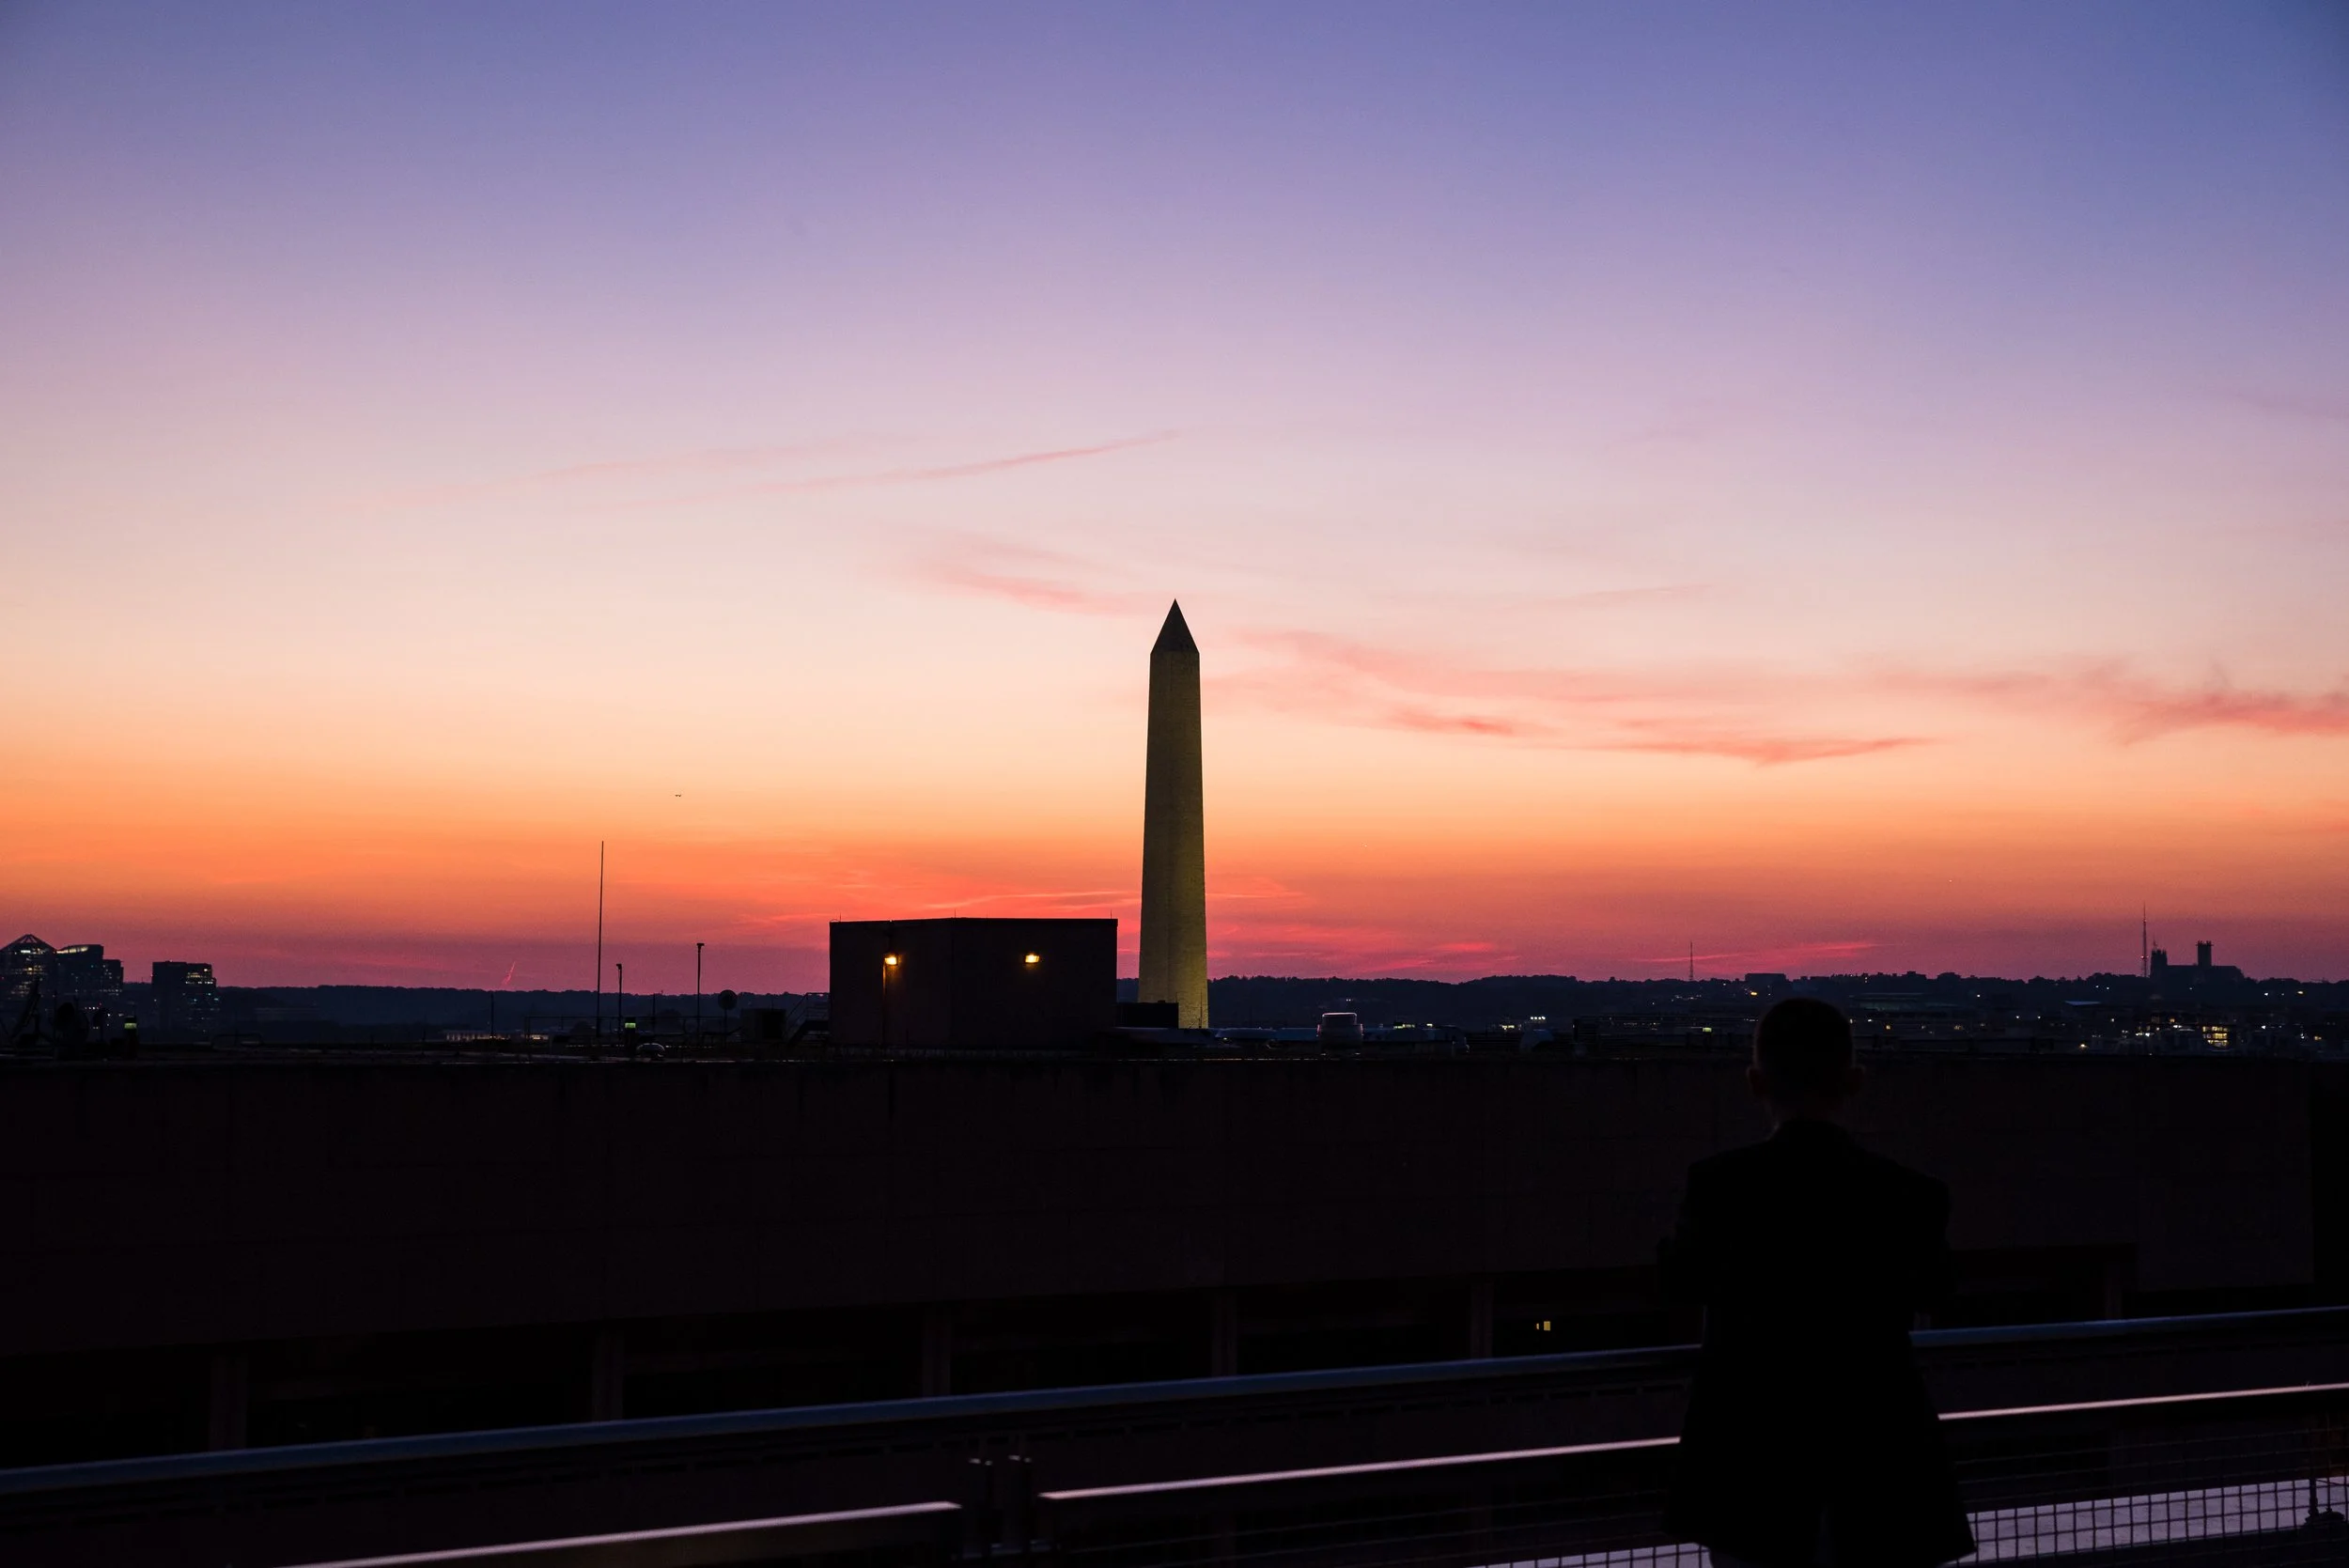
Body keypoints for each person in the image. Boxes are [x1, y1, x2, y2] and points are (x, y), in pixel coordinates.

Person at [1657, 998, 1973, 1568]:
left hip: (1752, 1464)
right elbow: (1938, 1291)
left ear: (1756, 1082)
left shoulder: (1720, 1187)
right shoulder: (1908, 1195)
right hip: (1882, 1460)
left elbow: (1680, 1281)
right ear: (1854, 1081)